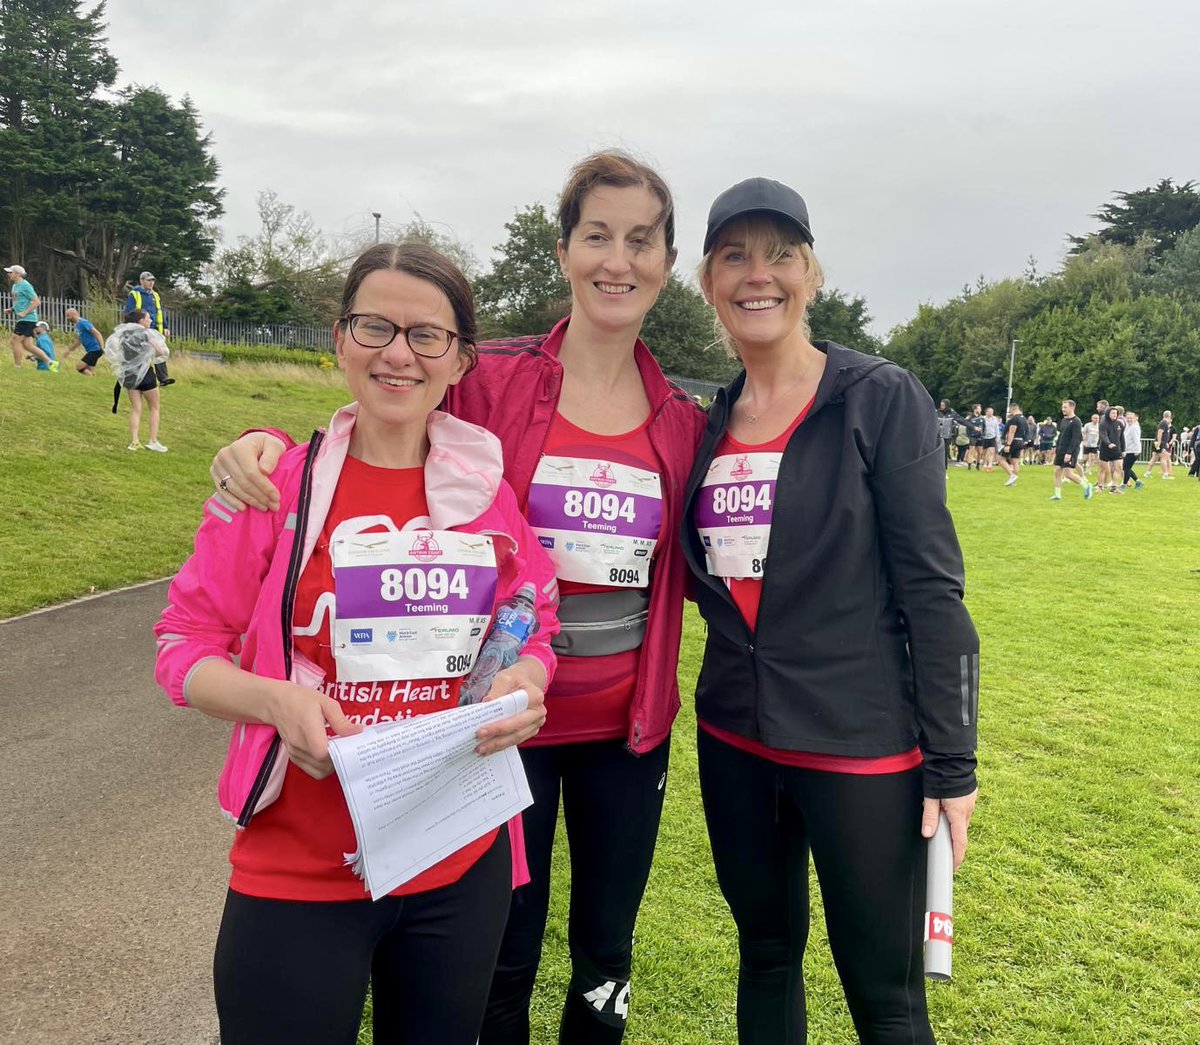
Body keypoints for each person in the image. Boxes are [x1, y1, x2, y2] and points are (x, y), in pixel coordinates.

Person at [208, 151, 707, 1045]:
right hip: (479, 730)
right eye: (597, 235)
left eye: (641, 241)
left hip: (614, 722)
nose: (617, 259)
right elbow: (387, 391)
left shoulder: (680, 418)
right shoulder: (498, 375)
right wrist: (264, 442)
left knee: (603, 953)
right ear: (563, 250)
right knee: (495, 963)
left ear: (669, 262)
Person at [154, 242, 559, 1045]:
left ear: (459, 360)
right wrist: (275, 700)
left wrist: (527, 677)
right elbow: (182, 645)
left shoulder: (487, 494)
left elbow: (536, 618)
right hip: (299, 868)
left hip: (455, 860)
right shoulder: (273, 486)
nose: (398, 352)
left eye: (426, 335)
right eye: (375, 325)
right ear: (340, 340)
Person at [683, 178, 978, 1045]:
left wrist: (954, 763)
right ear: (708, 281)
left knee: (884, 997)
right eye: (734, 255)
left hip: (859, 747)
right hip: (736, 737)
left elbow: (934, 589)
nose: (756, 274)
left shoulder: (878, 397)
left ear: (810, 272)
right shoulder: (713, 419)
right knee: (765, 954)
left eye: (779, 254)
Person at [105, 309, 170, 452]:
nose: (150, 320)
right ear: (141, 320)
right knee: (154, 407)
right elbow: (160, 351)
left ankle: (134, 441)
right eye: (148, 318)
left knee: (136, 409)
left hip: (130, 375)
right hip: (145, 373)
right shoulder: (146, 333)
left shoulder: (124, 334)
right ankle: (152, 441)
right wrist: (148, 354)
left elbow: (119, 353)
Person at [125, 270, 175, 385]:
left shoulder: (155, 295)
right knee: (142, 352)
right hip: (141, 329)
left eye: (152, 281)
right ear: (142, 281)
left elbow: (159, 312)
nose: (151, 283)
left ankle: (163, 378)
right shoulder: (134, 294)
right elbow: (129, 312)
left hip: (154, 329)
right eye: (149, 280)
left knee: (159, 349)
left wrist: (165, 327)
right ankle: (139, 376)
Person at [5, 264, 58, 370]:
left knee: (15, 340)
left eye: (11, 272)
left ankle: (17, 367)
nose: (8, 274)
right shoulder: (15, 286)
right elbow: (20, 303)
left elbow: (37, 302)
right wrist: (11, 310)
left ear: (18, 274)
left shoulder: (26, 285)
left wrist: (24, 312)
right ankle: (51, 362)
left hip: (28, 319)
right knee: (27, 345)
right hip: (23, 319)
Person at [1049, 400, 1091, 500]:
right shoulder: (1063, 420)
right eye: (1063, 407)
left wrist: (1069, 453)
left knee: (1068, 474)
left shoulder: (1076, 421)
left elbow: (1076, 439)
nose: (1063, 409)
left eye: (1065, 407)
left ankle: (1086, 486)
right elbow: (1061, 436)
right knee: (1057, 471)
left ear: (1072, 408)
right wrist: (1056, 448)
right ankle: (1057, 495)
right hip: (1061, 449)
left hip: (1070, 451)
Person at [64, 307, 105, 375]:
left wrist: (102, 347)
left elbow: (97, 333)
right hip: (91, 350)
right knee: (89, 369)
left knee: (79, 367)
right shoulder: (77, 325)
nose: (67, 318)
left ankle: (91, 377)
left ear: (73, 314)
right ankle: (92, 380)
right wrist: (69, 351)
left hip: (95, 349)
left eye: (68, 316)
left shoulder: (83, 322)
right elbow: (79, 340)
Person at [1097, 403, 1124, 492]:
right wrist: (1108, 443)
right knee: (1102, 468)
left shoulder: (1120, 424)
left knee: (1118, 468)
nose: (1114, 415)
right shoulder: (1103, 424)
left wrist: (1123, 449)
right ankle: (1100, 487)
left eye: (1116, 413)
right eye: (1113, 413)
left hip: (1116, 450)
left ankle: (1114, 488)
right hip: (1105, 450)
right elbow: (1103, 435)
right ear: (1108, 413)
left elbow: (1121, 437)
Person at [1000, 403, 1027, 486]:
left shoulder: (1014, 419)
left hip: (1014, 441)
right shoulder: (1023, 419)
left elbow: (1012, 432)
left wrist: (1008, 444)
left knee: (1000, 458)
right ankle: (1013, 482)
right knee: (1015, 461)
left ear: (1012, 409)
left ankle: (1012, 476)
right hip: (1020, 441)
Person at [1122, 411, 1144, 489]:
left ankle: (1124, 484)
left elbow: (1136, 439)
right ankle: (1138, 481)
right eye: (1128, 418)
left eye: (1131, 418)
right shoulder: (1128, 426)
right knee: (1126, 467)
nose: (1129, 420)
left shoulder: (1134, 427)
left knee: (1126, 467)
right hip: (1128, 450)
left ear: (1135, 419)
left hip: (1133, 451)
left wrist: (1137, 450)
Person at [965, 404, 985, 469]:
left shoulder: (982, 418)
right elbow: (967, 427)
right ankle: (969, 466)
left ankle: (978, 465)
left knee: (980, 452)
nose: (981, 410)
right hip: (972, 436)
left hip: (980, 436)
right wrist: (968, 436)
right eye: (979, 408)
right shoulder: (970, 418)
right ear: (975, 409)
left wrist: (983, 434)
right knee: (971, 450)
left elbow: (984, 427)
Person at [981, 406, 999, 470]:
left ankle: (990, 464)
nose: (991, 413)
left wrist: (997, 437)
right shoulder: (982, 418)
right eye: (990, 411)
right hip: (984, 437)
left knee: (991, 451)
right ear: (986, 412)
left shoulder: (995, 419)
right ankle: (985, 463)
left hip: (992, 436)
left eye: (992, 412)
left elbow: (997, 428)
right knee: (984, 452)